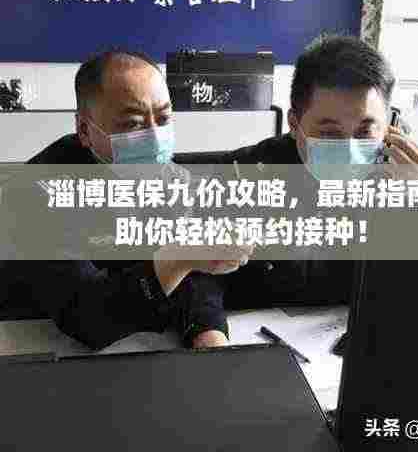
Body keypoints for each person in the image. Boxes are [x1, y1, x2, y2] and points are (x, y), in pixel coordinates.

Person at [0, 50, 254, 350]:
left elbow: (196, 275)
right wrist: (177, 257)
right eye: (133, 124)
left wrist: (208, 330)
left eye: (163, 118)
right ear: (84, 130)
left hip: (135, 340)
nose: (155, 138)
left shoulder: (171, 179)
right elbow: (85, 316)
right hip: (31, 341)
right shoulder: (36, 192)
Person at [216, 34, 418, 311]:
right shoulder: (241, 172)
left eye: (365, 132)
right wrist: (209, 329)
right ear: (294, 124)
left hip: (356, 333)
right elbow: (198, 277)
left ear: (391, 126)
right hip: (254, 330)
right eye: (330, 133)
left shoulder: (401, 178)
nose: (350, 149)